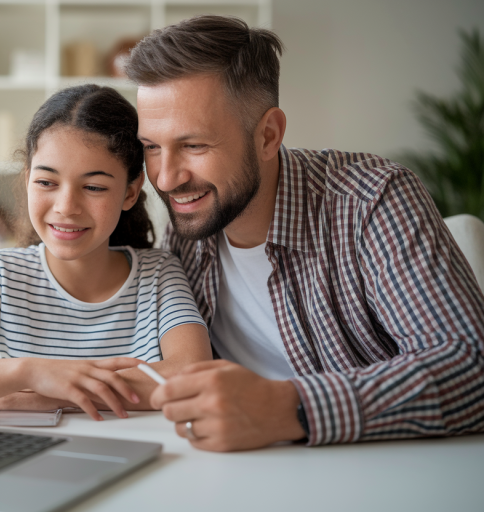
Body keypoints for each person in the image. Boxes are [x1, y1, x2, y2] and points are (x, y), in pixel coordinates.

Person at [124, 15, 484, 451]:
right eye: (152, 148)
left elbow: (471, 366)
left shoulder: (370, 201)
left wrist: (286, 407)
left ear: (268, 135)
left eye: (194, 145)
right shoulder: (190, 224)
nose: (165, 179)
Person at [0, 84, 212, 421]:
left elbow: (193, 373)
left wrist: (57, 396)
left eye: (93, 187)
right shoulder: (3, 273)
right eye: (47, 182)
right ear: (28, 178)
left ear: (130, 193)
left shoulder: (158, 273)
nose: (66, 207)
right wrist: (32, 373)